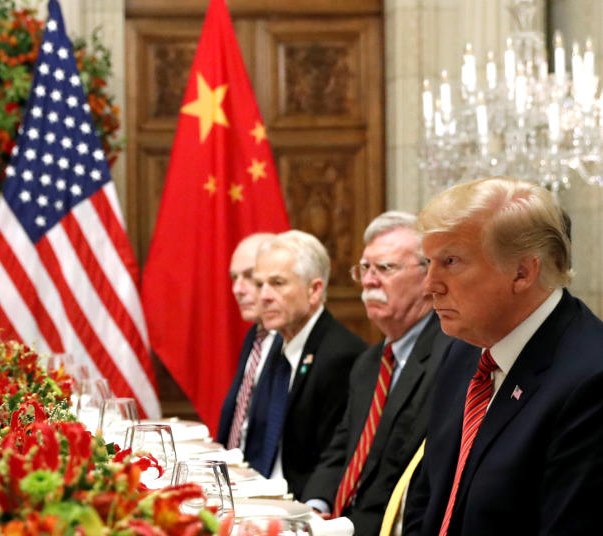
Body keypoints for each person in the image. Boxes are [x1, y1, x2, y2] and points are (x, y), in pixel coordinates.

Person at [403, 177, 603, 536]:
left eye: (450, 261)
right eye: (428, 262)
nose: (429, 283)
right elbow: (428, 498)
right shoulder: (463, 351)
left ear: (523, 272)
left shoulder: (591, 381)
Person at [301, 212, 450, 536]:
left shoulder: (450, 357)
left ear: (428, 276)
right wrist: (316, 507)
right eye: (365, 269)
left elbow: (405, 478)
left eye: (384, 268)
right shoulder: (369, 363)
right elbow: (341, 450)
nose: (368, 281)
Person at [244, 229, 366, 498]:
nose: (263, 296)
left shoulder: (340, 355)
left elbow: (334, 459)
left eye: (277, 283)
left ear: (314, 290)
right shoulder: (276, 343)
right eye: (260, 284)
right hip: (259, 496)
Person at [217, 232, 279, 450]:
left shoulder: (289, 341)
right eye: (234, 278)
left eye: (249, 276)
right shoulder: (255, 335)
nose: (237, 289)